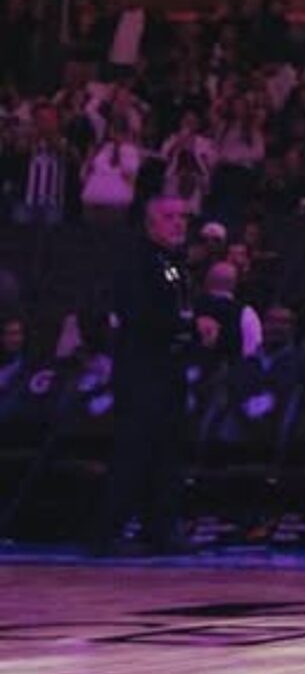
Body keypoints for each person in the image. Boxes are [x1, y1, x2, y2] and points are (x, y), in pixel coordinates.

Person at [94, 195, 195, 554]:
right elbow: (140, 316)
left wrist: (192, 329)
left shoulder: (174, 262)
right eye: (170, 217)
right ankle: (111, 531)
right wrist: (185, 325)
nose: (179, 223)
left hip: (169, 368)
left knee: (166, 451)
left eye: (183, 216)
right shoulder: (137, 261)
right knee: (133, 450)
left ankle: (160, 528)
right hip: (142, 368)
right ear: (151, 223)